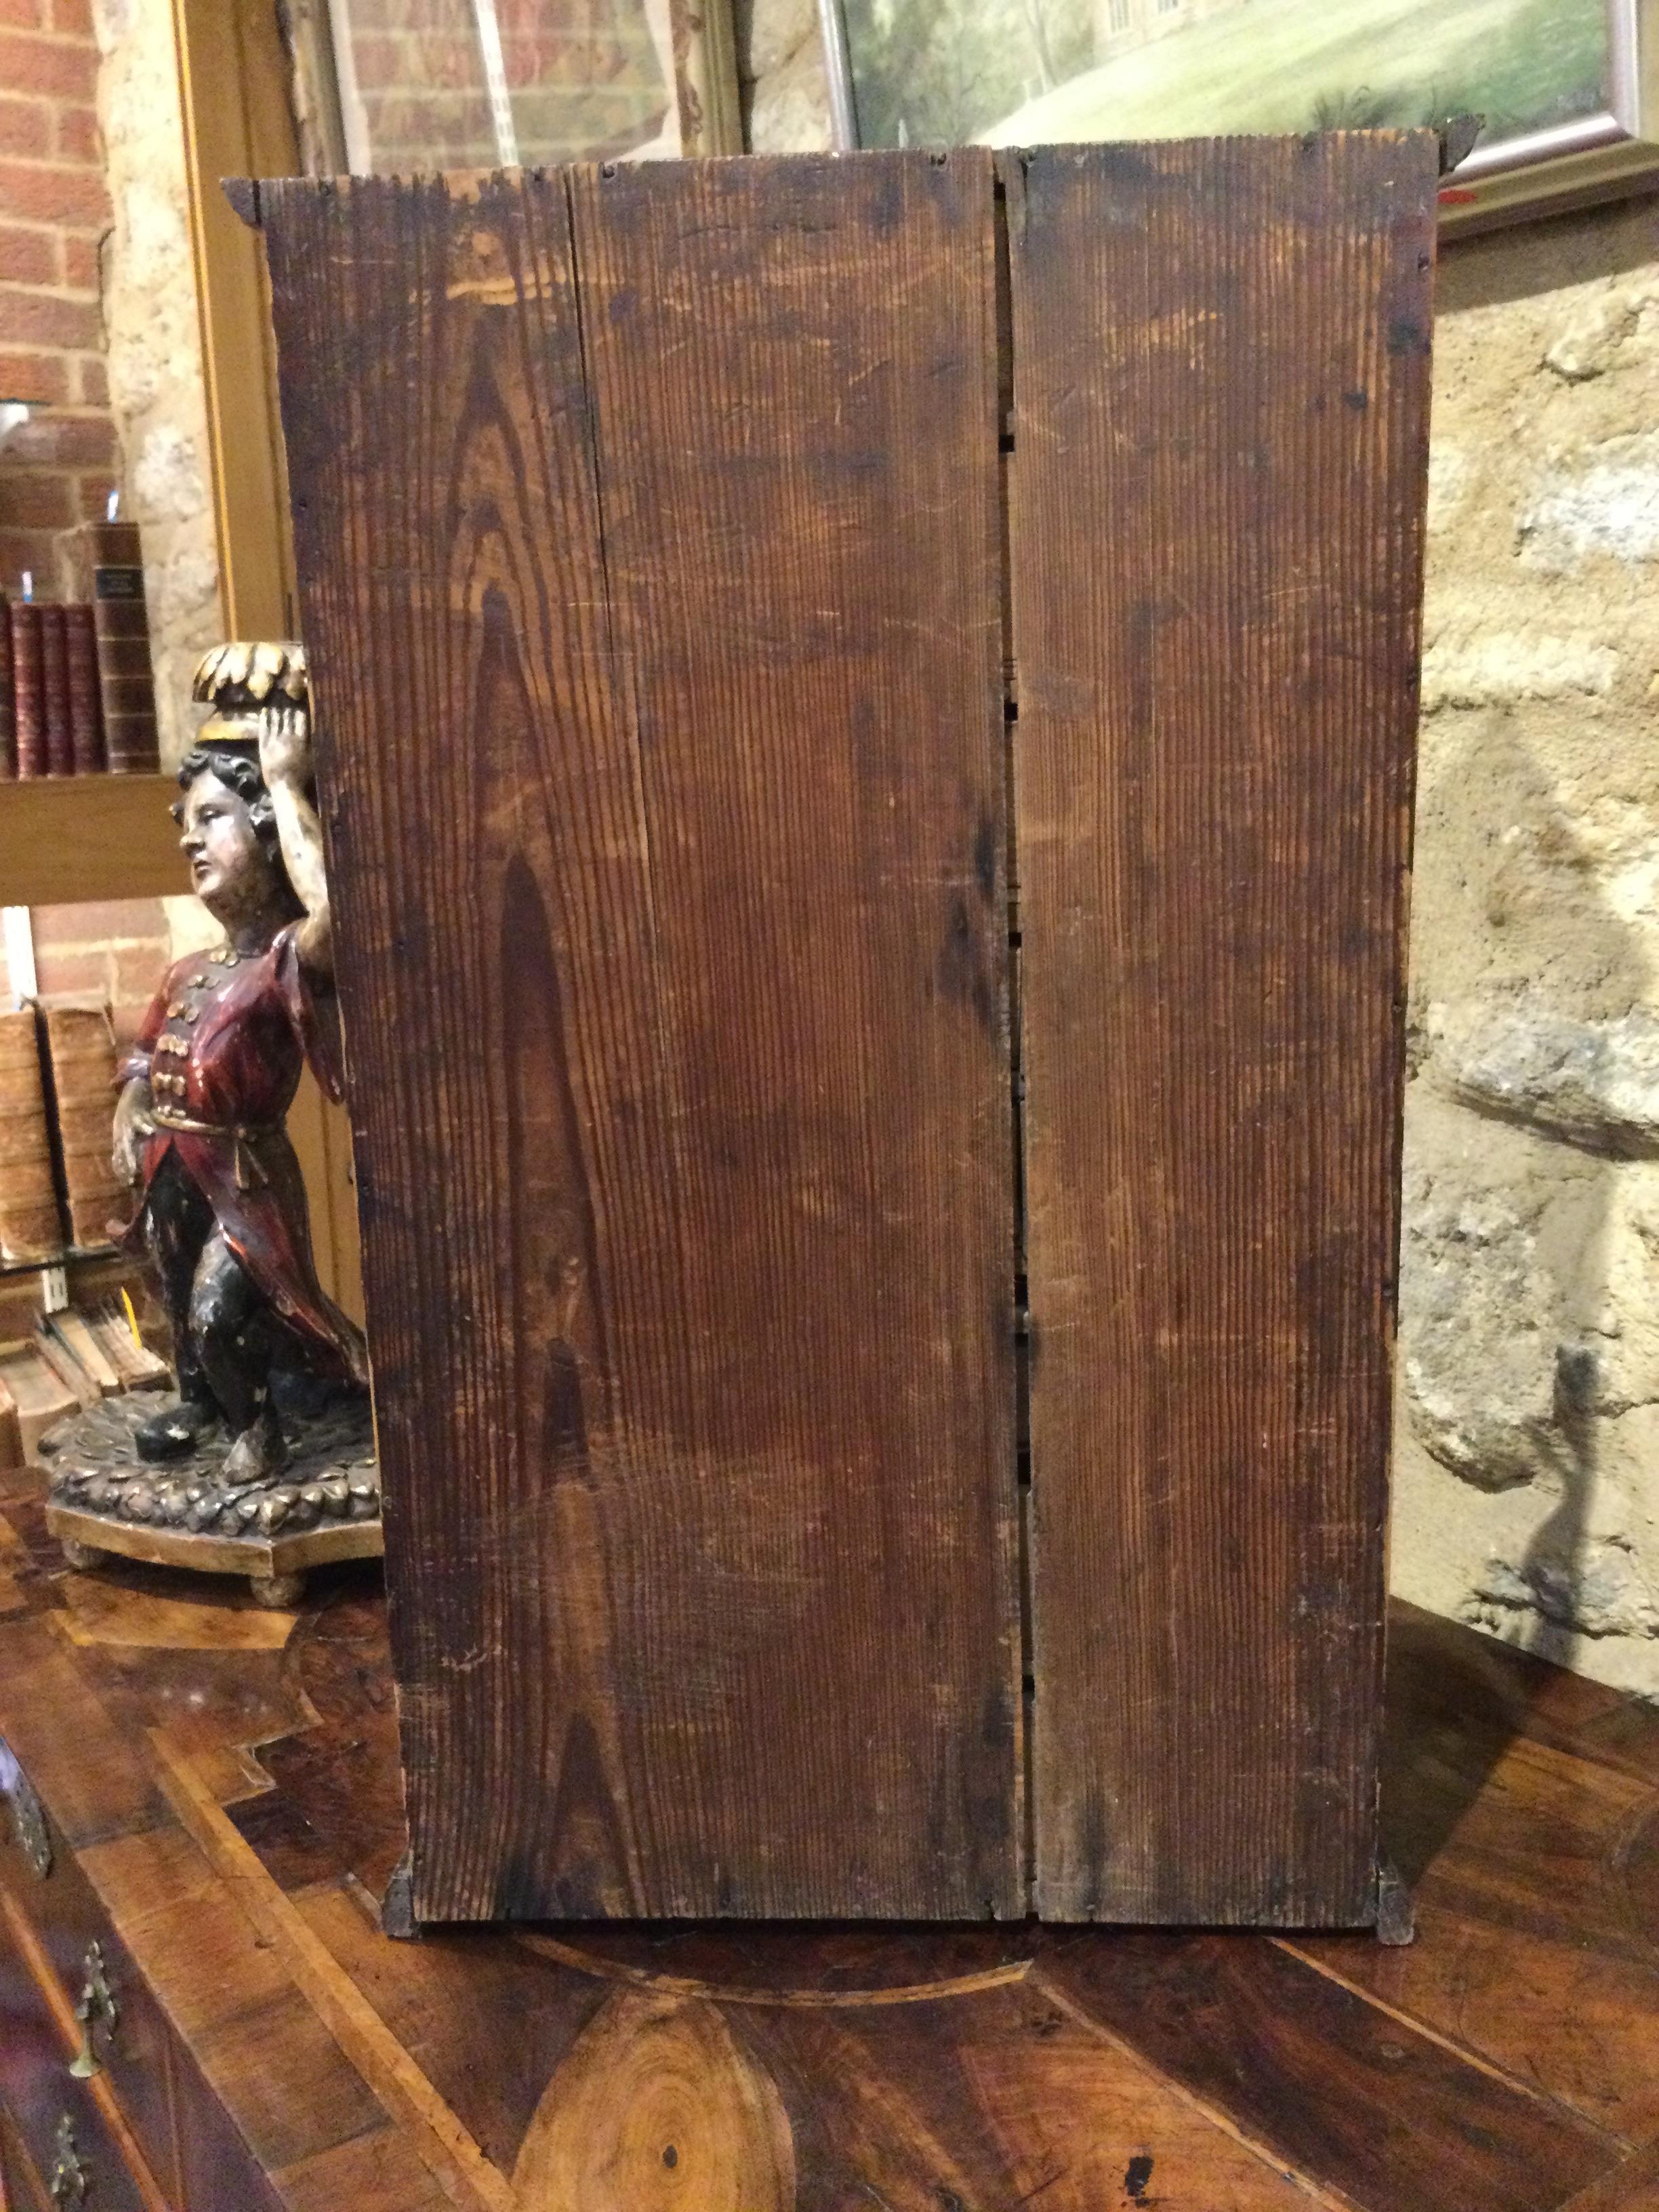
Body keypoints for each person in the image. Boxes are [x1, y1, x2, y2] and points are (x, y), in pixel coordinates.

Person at [112, 643, 367, 1483]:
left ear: (264, 832)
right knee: (174, 1299)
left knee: (222, 1309)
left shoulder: (282, 960)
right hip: (171, 1167)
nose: (190, 839)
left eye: (212, 818)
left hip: (244, 1177)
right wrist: (132, 1107)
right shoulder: (192, 969)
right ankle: (203, 1406)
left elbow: (339, 914)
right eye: (184, 823)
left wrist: (289, 782)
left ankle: (256, 1429)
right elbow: (146, 1060)